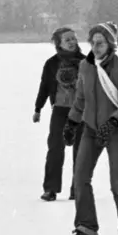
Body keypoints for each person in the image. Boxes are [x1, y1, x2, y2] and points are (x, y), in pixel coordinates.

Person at [62, 21, 118, 235]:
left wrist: (113, 122)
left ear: (111, 44)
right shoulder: (86, 68)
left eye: (101, 43)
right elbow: (80, 100)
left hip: (115, 132)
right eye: (93, 42)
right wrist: (71, 122)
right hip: (89, 130)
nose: (95, 47)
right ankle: (87, 233)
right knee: (80, 179)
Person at [32, 27, 84, 201]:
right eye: (67, 40)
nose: (72, 42)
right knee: (55, 149)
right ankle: (51, 189)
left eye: (73, 39)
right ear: (59, 43)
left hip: (81, 112)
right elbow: (45, 86)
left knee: (81, 151)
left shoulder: (86, 62)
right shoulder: (52, 64)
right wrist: (38, 108)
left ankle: (77, 189)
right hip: (60, 111)